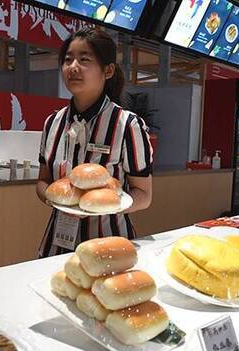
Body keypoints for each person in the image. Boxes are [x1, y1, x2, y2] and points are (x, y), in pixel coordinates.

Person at [35, 28, 153, 258]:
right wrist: (56, 200)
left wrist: (104, 205)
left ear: (108, 70)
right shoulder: (53, 123)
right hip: (58, 245)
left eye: (84, 59)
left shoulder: (127, 125)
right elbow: (43, 181)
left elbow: (144, 195)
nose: (73, 66)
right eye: (68, 59)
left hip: (111, 244)